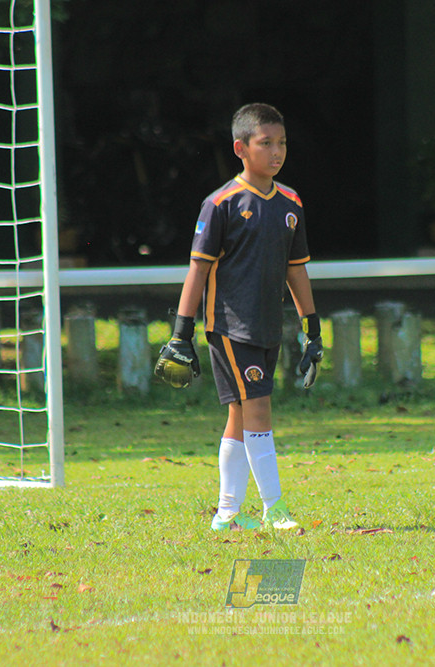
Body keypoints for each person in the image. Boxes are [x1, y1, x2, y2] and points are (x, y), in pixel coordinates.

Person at [154, 103, 322, 532]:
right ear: (241, 148)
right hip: (230, 326)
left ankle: (227, 514)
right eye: (266, 143)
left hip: (268, 325)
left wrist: (312, 328)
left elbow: (296, 268)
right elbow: (199, 268)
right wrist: (181, 333)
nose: (277, 151)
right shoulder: (220, 203)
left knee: (239, 417)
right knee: (260, 410)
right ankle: (275, 508)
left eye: (282, 142)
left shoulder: (291, 202)